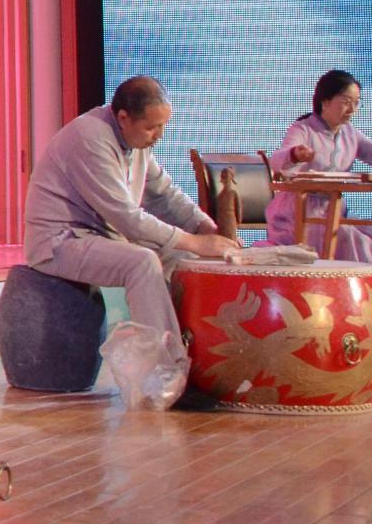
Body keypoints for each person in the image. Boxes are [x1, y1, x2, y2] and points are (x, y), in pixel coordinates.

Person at [23, 75, 244, 410]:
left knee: (179, 258)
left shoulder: (135, 142)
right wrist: (197, 243)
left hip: (99, 237)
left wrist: (206, 228)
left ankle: (199, 364)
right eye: (152, 127)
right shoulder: (90, 138)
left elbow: (165, 196)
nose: (159, 135)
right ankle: (166, 379)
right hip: (59, 242)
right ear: (123, 118)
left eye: (163, 126)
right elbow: (127, 218)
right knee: (141, 262)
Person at [266, 69, 372, 350]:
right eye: (346, 101)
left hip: (333, 214)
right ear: (325, 101)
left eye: (356, 103)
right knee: (352, 239)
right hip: (300, 217)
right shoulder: (304, 129)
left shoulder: (349, 134)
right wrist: (296, 155)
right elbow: (278, 161)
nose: (352, 109)